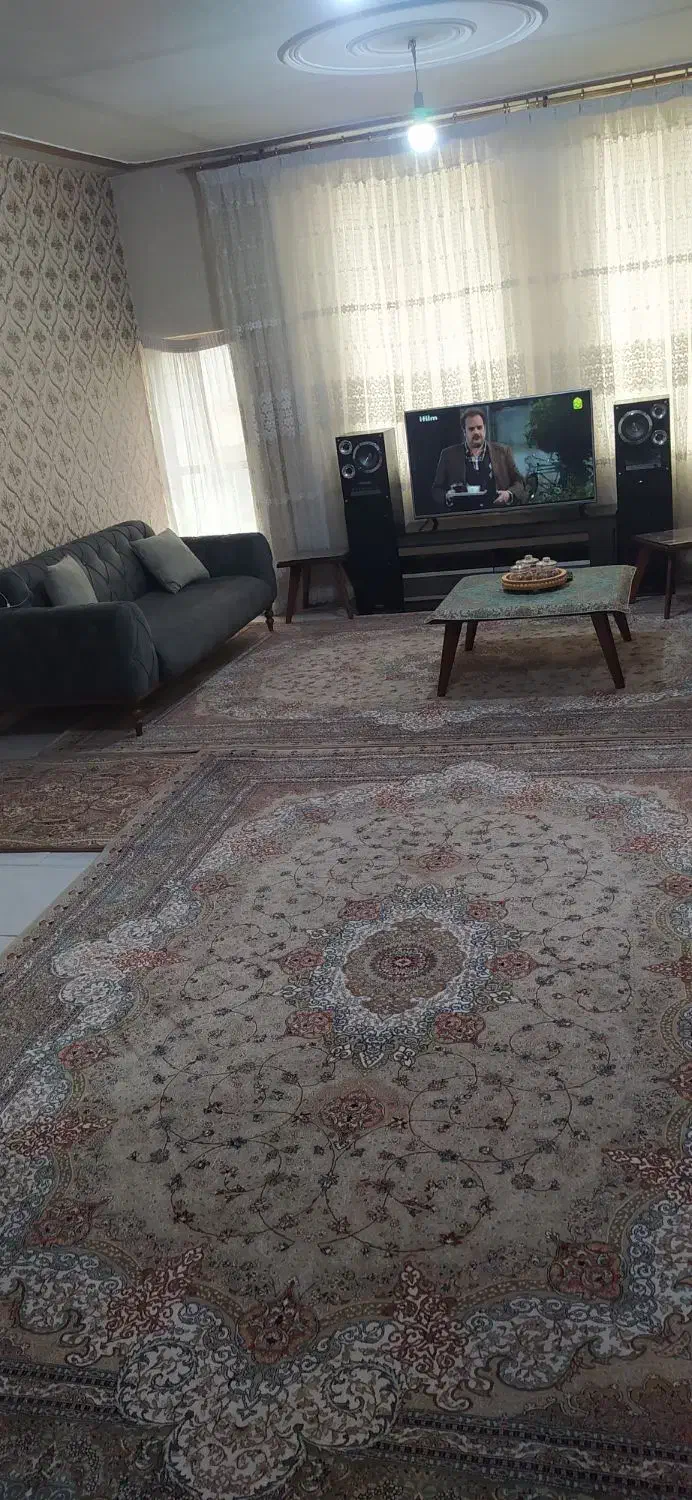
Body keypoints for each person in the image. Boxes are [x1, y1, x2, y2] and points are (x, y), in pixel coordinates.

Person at [432, 407, 526, 511]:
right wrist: (447, 496)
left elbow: (520, 482)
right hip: (463, 515)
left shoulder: (503, 451)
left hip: (497, 513)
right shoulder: (448, 455)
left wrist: (508, 494)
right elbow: (437, 490)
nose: (476, 432)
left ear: (484, 428)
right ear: (464, 431)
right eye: (471, 429)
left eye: (479, 427)